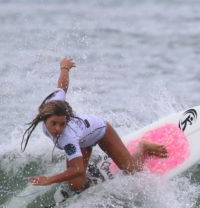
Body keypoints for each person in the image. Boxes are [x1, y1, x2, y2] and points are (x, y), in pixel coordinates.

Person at [22, 57, 168, 193]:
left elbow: (77, 169)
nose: (58, 129)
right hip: (83, 140)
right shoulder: (52, 104)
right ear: (44, 118)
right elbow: (61, 88)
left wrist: (49, 180)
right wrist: (64, 69)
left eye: (62, 124)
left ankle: (144, 147)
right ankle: (90, 172)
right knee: (76, 186)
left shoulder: (68, 137)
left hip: (101, 132)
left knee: (131, 169)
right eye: (53, 123)